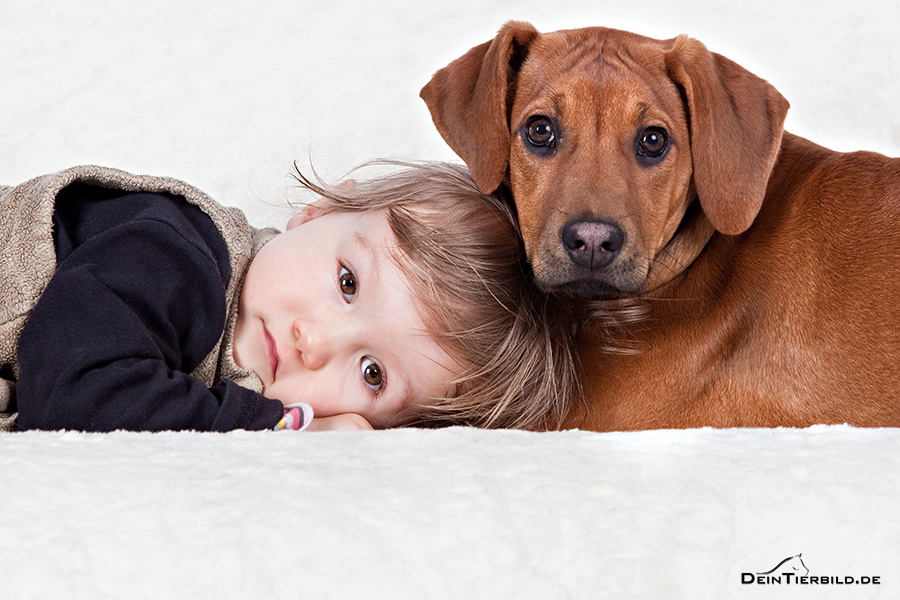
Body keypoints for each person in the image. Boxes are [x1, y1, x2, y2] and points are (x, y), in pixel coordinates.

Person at [0, 161, 578, 433]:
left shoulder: (227, 362)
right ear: (319, 211)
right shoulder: (176, 252)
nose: (317, 340)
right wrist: (281, 430)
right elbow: (75, 398)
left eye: (372, 373)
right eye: (347, 282)